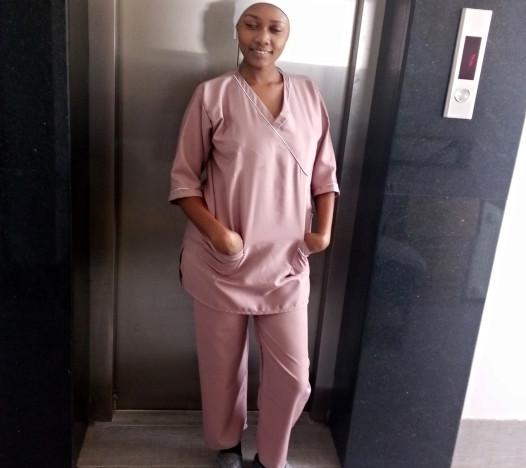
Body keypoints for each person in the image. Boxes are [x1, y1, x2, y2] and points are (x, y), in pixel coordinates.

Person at [169, 1, 340, 467]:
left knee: (295, 377)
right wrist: (220, 236)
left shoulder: (309, 94)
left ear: (287, 36)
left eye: (274, 28)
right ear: (237, 31)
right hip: (222, 263)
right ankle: (226, 445)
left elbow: (325, 174)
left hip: (285, 263)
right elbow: (183, 181)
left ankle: (271, 458)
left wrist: (322, 233)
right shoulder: (212, 95)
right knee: (222, 369)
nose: (262, 37)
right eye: (251, 25)